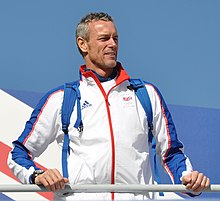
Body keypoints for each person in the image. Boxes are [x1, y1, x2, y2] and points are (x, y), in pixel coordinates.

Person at [8, 12, 210, 200]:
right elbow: (18, 154)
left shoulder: (146, 94)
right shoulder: (61, 99)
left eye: (116, 38)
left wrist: (188, 178)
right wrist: (37, 175)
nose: (113, 44)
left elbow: (171, 153)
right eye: (104, 39)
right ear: (83, 44)